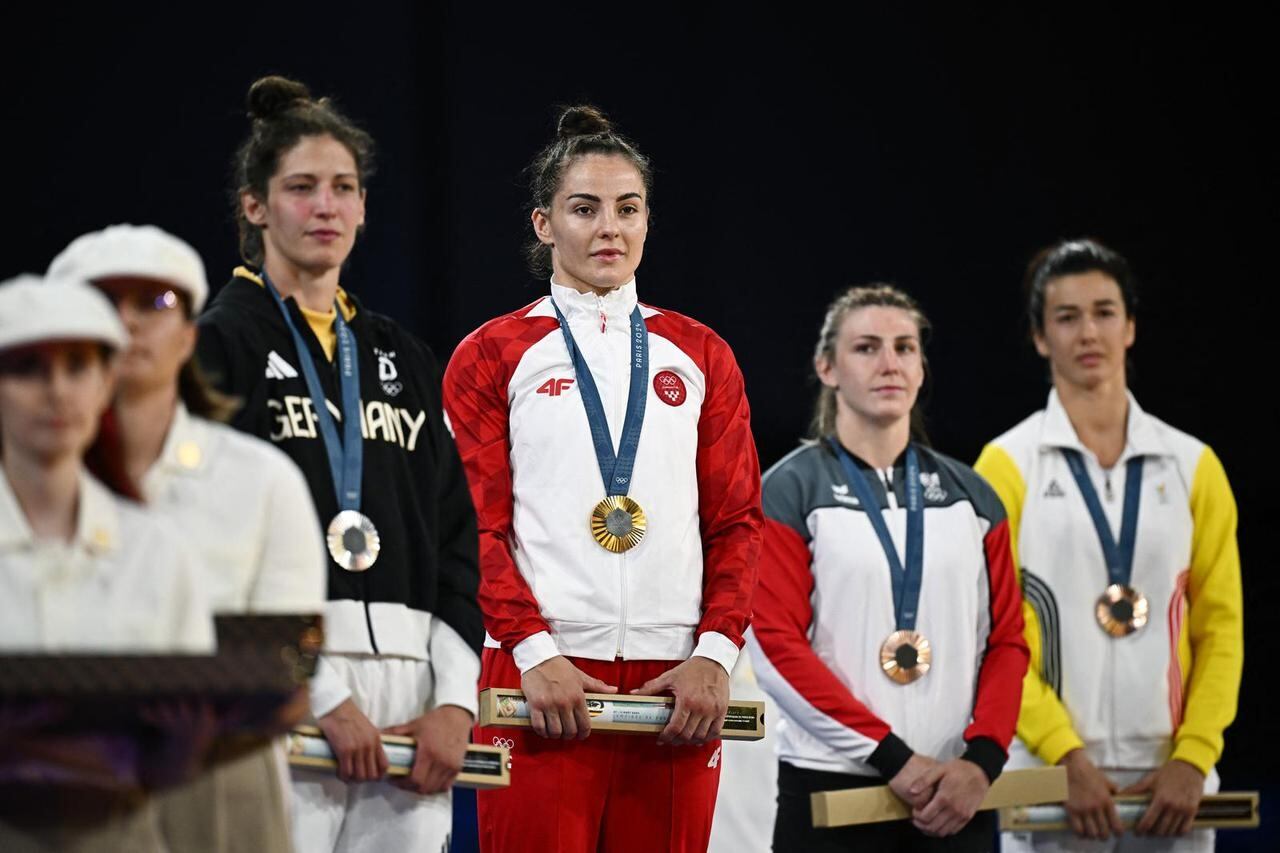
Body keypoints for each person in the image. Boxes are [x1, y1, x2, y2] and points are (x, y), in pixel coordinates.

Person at [442, 105, 764, 852]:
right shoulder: (494, 353)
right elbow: (471, 527)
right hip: (542, 675)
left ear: (649, 220)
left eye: (628, 208)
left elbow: (738, 521)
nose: (608, 229)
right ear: (543, 223)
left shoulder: (701, 353)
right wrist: (532, 653)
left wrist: (715, 657)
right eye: (583, 209)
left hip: (679, 682)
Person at [194, 75, 483, 852]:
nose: (326, 206)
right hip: (277, 693)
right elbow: (212, 541)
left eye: (344, 188)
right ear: (255, 207)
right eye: (301, 188)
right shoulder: (219, 347)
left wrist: (457, 700)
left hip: (414, 699)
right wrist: (310, 689)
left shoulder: (403, 354)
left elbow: (457, 539)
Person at [48, 222, 327, 852]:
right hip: (51, 782)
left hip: (222, 780)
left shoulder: (261, 480)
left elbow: (285, 667)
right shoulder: (18, 486)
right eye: (102, 301)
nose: (127, 321)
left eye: (154, 301)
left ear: (189, 336)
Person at [975, 239, 1243, 852]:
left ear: (1130, 327)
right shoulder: (1005, 466)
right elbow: (994, 630)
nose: (1087, 331)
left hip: (1172, 774)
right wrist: (1062, 756)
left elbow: (1220, 628)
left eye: (1103, 312)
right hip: (1047, 769)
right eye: (1066, 317)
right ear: (1041, 338)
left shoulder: (1193, 466)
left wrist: (1195, 756)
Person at [747, 284, 1028, 852]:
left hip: (956, 794)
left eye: (904, 348)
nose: (889, 364)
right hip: (832, 790)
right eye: (867, 348)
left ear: (922, 368)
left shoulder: (972, 496)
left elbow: (1008, 642)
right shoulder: (789, 490)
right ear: (827, 367)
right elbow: (775, 645)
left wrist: (983, 760)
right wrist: (890, 756)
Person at [0, 274, 214, 852]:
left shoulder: (160, 554)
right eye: (27, 369)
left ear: (105, 383)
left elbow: (175, 756)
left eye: (78, 366)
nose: (57, 391)